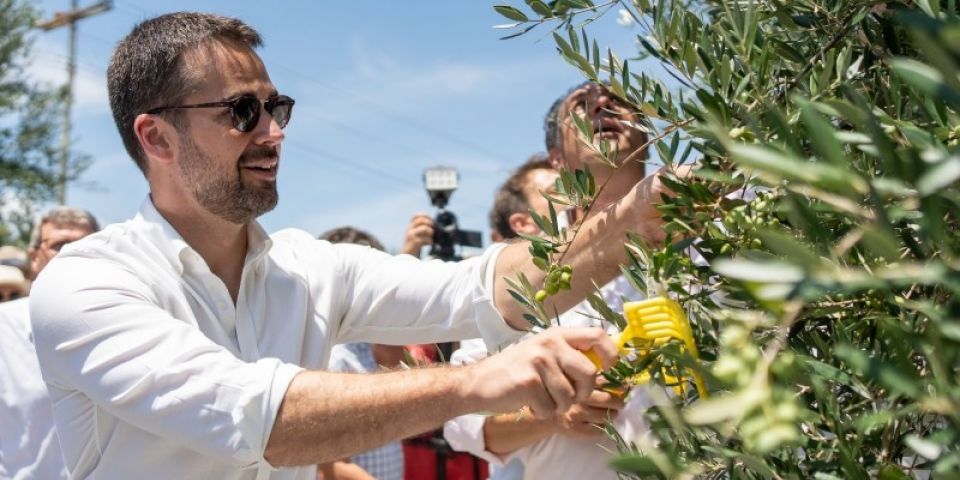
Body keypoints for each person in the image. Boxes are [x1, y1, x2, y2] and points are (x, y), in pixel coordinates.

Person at [29, 13, 676, 480]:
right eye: (241, 112)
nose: (274, 133)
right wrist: (481, 379)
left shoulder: (310, 269)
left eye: (277, 108)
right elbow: (259, 420)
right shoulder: (85, 284)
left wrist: (636, 220)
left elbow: (484, 287)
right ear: (157, 137)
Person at [444, 82, 652, 479]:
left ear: (649, 134)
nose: (604, 105)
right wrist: (552, 417)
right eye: (583, 106)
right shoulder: (517, 271)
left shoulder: (709, 239)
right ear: (556, 159)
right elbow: (463, 423)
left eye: (619, 101)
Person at [0, 206, 99, 480]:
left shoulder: (129, 329)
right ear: (34, 258)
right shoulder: (3, 329)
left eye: (88, 244)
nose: (74, 252)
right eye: (60, 245)